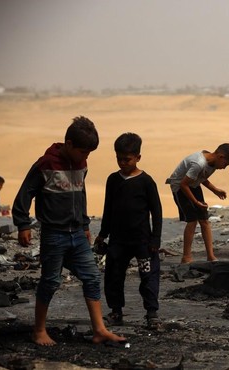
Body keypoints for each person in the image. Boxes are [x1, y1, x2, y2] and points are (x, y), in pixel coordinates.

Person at [12, 116, 125, 346]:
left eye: (89, 154)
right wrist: (22, 224)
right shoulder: (46, 165)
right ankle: (39, 330)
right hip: (54, 234)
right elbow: (25, 193)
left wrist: (84, 225)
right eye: (84, 152)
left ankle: (99, 330)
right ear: (69, 144)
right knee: (51, 281)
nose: (86, 158)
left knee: (92, 277)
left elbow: (80, 195)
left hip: (77, 234)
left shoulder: (81, 165)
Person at [94, 133, 163, 329]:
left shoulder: (147, 182)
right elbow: (108, 208)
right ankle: (116, 312)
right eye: (119, 158)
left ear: (138, 157)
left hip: (142, 241)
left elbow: (157, 211)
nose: (122, 163)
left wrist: (155, 239)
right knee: (114, 276)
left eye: (127, 159)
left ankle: (152, 313)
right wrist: (103, 234)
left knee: (148, 277)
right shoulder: (113, 180)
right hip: (118, 241)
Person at [166, 144, 229, 263]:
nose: (224, 168)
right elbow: (184, 184)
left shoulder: (213, 163)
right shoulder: (199, 163)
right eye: (225, 164)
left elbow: (202, 177)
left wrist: (215, 190)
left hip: (193, 184)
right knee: (192, 220)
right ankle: (186, 257)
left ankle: (211, 256)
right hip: (180, 187)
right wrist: (196, 202)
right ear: (221, 156)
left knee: (204, 220)